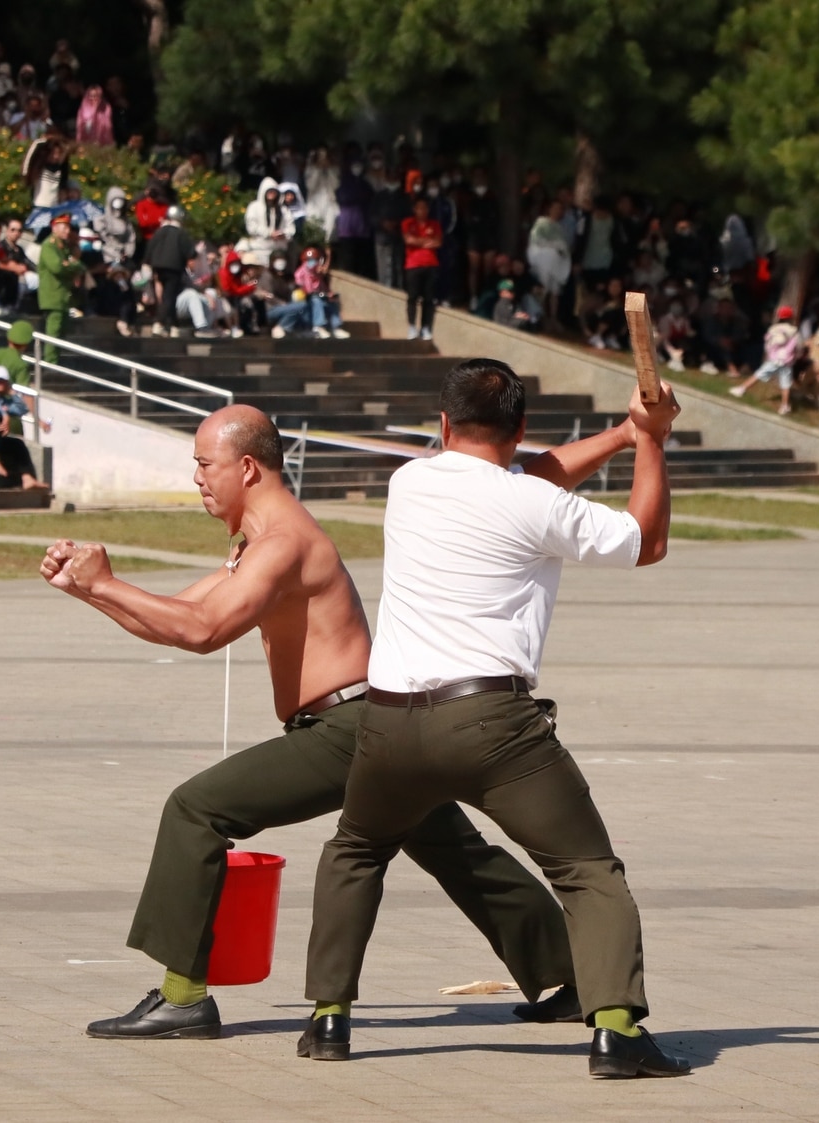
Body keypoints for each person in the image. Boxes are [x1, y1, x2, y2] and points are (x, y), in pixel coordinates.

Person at [44, 405, 645, 1042]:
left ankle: (183, 996)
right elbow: (181, 613)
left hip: (347, 728)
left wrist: (106, 585)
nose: (196, 478)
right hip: (380, 724)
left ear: (246, 467)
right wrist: (91, 589)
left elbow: (201, 632)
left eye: (203, 464)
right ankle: (573, 974)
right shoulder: (261, 541)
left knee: (195, 810)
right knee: (455, 852)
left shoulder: (284, 544)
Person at [302, 360, 691, 1078]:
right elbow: (647, 538)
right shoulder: (534, 504)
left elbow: (529, 477)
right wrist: (651, 443)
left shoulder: (410, 482)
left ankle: (328, 1018)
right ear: (520, 429)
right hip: (491, 724)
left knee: (355, 849)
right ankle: (615, 1032)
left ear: (443, 425)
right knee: (586, 868)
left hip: (387, 721)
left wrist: (626, 428)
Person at [731, 307, 804, 414]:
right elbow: (799, 347)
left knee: (759, 374)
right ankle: (785, 405)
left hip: (775, 359)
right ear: (791, 318)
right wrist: (797, 356)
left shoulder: (774, 329)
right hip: (787, 360)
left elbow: (768, 343)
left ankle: (741, 389)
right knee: (785, 383)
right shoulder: (794, 331)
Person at [37, 212, 85, 359]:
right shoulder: (49, 246)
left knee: (61, 331)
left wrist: (72, 264)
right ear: (54, 228)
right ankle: (50, 362)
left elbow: (80, 266)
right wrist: (73, 265)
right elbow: (57, 267)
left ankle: (55, 360)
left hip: (63, 296)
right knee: (53, 330)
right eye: (63, 227)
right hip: (53, 294)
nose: (67, 231)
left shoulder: (63, 246)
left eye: (68, 227)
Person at [145, 206, 195, 337]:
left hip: (158, 267)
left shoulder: (160, 231)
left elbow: (150, 249)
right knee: (169, 296)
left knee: (167, 296)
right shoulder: (180, 233)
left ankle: (174, 325)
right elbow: (190, 252)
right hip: (174, 268)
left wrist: (148, 263)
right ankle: (159, 323)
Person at [401, 195, 442, 341]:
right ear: (415, 209)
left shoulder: (434, 224)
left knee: (429, 298)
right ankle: (412, 326)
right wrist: (425, 241)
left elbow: (437, 242)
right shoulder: (408, 223)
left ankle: (426, 327)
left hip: (431, 264)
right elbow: (408, 239)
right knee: (412, 297)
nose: (422, 211)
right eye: (419, 208)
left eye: (425, 208)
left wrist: (418, 242)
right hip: (413, 265)